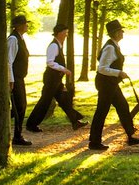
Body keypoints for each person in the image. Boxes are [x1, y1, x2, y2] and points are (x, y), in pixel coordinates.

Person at [89, 20, 139, 151]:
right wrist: (119, 72)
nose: (122, 32)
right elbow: (102, 68)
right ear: (115, 33)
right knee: (101, 111)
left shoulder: (113, 45)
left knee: (123, 106)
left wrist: (117, 75)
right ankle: (94, 142)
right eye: (120, 31)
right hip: (106, 84)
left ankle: (131, 136)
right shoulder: (110, 48)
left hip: (111, 83)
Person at [25, 23, 86, 133]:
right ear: (60, 33)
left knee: (63, 100)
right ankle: (31, 124)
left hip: (56, 79)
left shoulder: (58, 45)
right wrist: (63, 69)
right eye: (65, 33)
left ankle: (75, 121)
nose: (67, 35)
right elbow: (50, 62)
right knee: (44, 102)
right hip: (51, 79)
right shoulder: (54, 46)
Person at [7, 14, 31, 147]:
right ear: (19, 26)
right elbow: (9, 61)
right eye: (25, 23)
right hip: (15, 78)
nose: (27, 25)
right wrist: (11, 80)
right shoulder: (13, 39)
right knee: (20, 107)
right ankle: (17, 135)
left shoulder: (20, 38)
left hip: (19, 77)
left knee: (20, 107)